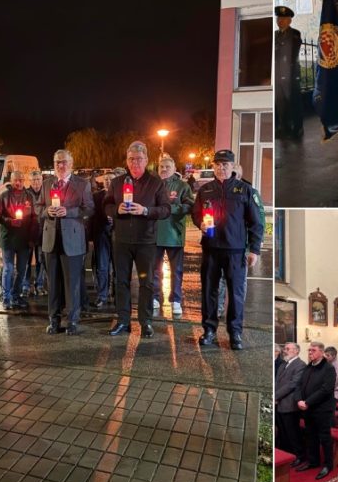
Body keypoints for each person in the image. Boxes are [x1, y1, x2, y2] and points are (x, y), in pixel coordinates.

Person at [192, 149, 263, 350]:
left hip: (236, 250)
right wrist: (200, 224)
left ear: (232, 167)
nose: (221, 168)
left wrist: (254, 250)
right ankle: (209, 330)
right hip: (211, 248)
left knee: (236, 294)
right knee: (209, 292)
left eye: (225, 164)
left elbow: (256, 223)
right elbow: (196, 213)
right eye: (218, 164)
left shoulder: (244, 190)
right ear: (213, 166)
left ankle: (235, 333)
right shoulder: (205, 190)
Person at [103, 142, 170, 338]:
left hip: (146, 241)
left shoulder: (156, 183)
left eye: (139, 159)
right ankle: (123, 321)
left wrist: (146, 210)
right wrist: (116, 210)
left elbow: (166, 209)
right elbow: (105, 205)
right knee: (121, 281)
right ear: (126, 160)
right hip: (122, 240)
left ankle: (146, 321)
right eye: (131, 159)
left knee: (146, 282)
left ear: (146, 160)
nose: (135, 163)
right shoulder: (117, 182)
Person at [36, 150, 94, 335]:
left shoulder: (82, 184)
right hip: (50, 240)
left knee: (73, 283)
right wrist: (47, 212)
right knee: (52, 283)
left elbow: (89, 209)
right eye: (57, 162)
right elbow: (38, 207)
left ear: (71, 163)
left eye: (64, 162)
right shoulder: (46, 184)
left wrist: (68, 212)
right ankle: (53, 320)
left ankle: (72, 321)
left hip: (73, 241)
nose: (61, 165)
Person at [153, 156, 194, 317]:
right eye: (161, 166)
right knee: (154, 269)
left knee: (176, 270)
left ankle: (176, 299)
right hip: (154, 234)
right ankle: (155, 297)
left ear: (174, 167)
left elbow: (190, 205)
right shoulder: (153, 185)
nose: (164, 169)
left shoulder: (182, 186)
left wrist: (171, 209)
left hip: (174, 234)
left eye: (167, 166)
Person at [295, 342, 337, 480]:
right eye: (309, 350)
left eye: (313, 350)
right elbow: (300, 385)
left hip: (322, 410)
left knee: (324, 438)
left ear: (321, 352)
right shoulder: (309, 366)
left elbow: (326, 389)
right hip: (307, 408)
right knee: (311, 436)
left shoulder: (328, 368)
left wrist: (307, 402)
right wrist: (299, 400)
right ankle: (313, 461)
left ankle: (328, 465)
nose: (310, 352)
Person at [0, 171, 35, 310]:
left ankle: (16, 296)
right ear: (11, 181)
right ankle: (6, 297)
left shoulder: (29, 196)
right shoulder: (4, 196)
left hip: (24, 239)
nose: (18, 182)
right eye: (15, 180)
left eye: (20, 179)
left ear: (24, 180)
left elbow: (34, 218)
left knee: (21, 269)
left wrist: (32, 238)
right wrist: (10, 222)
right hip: (8, 238)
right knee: (8, 268)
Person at [274, 5, 303, 139]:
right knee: (280, 104)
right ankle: (283, 127)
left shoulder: (295, 34)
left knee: (294, 102)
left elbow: (292, 52)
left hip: (291, 75)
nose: (280, 21)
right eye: (279, 18)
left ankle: (297, 128)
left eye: (284, 18)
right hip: (278, 75)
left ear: (289, 21)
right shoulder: (274, 35)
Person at [275, 343, 305, 464]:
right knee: (283, 432)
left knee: (293, 432)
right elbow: (277, 382)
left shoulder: (301, 365)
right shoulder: (283, 364)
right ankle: (287, 454)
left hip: (290, 404)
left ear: (296, 351)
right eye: (285, 348)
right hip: (280, 403)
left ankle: (299, 455)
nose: (284, 351)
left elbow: (293, 384)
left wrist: (276, 395)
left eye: (288, 349)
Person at [89, 174, 113, 310]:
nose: (108, 181)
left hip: (117, 234)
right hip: (101, 234)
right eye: (106, 180)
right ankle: (102, 295)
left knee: (117, 268)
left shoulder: (122, 195)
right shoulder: (97, 196)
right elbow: (93, 215)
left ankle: (116, 295)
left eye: (111, 180)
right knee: (102, 267)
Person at [22, 170, 47, 298]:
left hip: (43, 232)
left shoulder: (46, 192)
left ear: (41, 180)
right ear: (30, 181)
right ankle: (25, 286)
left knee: (41, 260)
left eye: (38, 179)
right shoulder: (25, 194)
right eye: (33, 180)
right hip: (28, 233)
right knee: (26, 260)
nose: (36, 182)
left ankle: (39, 284)